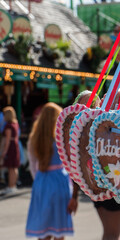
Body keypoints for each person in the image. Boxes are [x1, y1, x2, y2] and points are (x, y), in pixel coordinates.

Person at [26, 102, 78, 240]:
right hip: (59, 180)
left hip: (42, 181)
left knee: (43, 227)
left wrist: (39, 179)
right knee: (59, 228)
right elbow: (70, 162)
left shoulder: (34, 139)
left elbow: (32, 164)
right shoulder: (60, 138)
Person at [0, 106, 20, 194]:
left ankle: (11, 185)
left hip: (10, 147)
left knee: (11, 167)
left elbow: (7, 140)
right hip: (15, 145)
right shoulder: (15, 124)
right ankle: (13, 185)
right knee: (14, 167)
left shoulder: (8, 126)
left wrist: (4, 152)